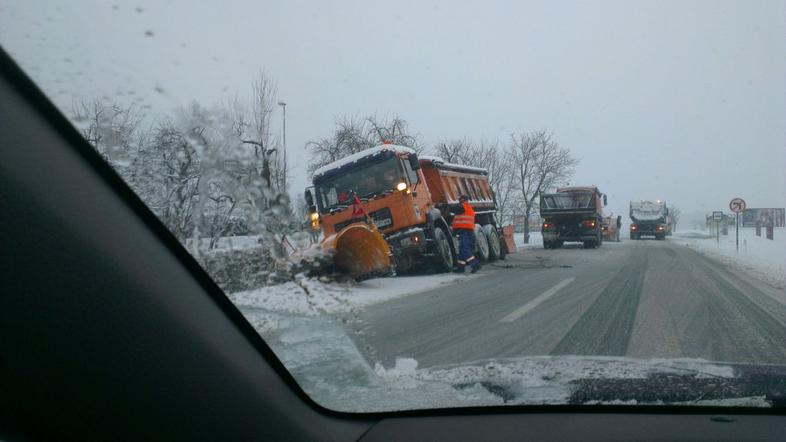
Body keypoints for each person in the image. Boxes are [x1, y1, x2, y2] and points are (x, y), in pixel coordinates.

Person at [450, 194, 481, 273]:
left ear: (463, 199)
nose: (459, 200)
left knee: (464, 248)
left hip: (465, 232)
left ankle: (475, 264)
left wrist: (443, 206)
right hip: (465, 232)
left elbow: (454, 208)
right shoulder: (466, 207)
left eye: (460, 199)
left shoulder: (464, 206)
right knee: (462, 249)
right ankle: (461, 267)